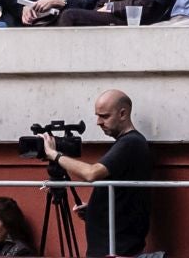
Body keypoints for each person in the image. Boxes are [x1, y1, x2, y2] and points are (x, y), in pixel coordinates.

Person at [39, 89, 154, 258]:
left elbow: (91, 173)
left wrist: (54, 154)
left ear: (123, 113)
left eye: (104, 116)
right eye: (97, 116)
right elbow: (125, 194)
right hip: (111, 245)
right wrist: (94, 210)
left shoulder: (131, 143)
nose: (98, 122)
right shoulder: (128, 143)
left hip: (117, 248)